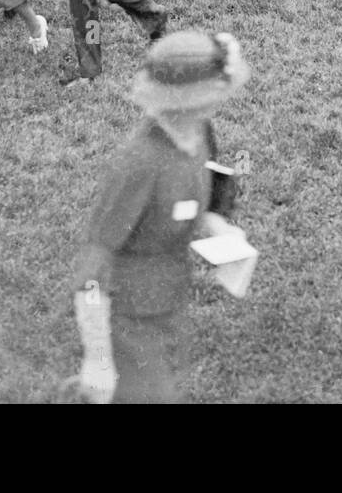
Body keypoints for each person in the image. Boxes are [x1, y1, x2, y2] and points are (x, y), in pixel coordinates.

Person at [72, 30, 251, 404]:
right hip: (128, 318)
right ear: (184, 100)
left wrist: (218, 228)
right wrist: (99, 360)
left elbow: (200, 190)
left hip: (169, 304)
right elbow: (93, 264)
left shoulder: (199, 130)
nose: (220, 98)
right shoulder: (139, 164)